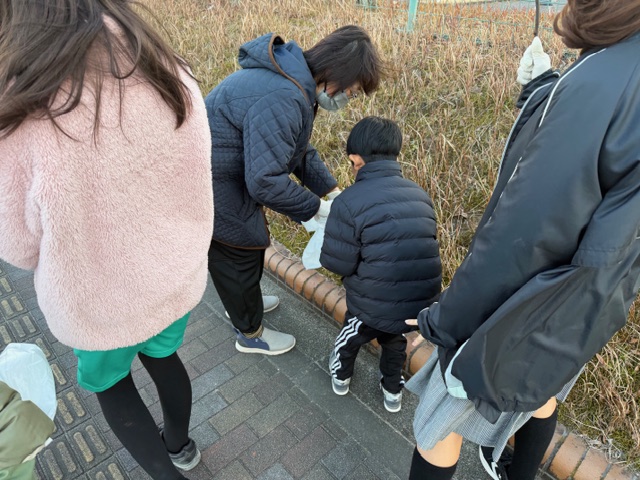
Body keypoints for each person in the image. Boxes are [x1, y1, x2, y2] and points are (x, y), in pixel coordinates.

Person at [405, 0, 640, 479]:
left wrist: (447, 321)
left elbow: (524, 235)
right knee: (542, 389)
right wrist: (546, 88)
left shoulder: (598, 81)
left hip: (519, 305)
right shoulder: (619, 69)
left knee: (439, 422)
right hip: (591, 301)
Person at [0, 2, 213, 479]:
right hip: (171, 275)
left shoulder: (22, 109)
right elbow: (197, 177)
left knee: (113, 386)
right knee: (165, 359)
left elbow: (17, 245)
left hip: (96, 298)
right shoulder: (164, 67)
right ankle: (180, 446)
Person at [205, 25, 383, 356]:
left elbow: (297, 150)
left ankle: (244, 302)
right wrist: (317, 208)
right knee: (238, 251)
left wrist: (332, 191)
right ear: (337, 72)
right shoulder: (285, 95)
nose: (348, 98)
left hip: (227, 174)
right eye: (352, 90)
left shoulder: (293, 82)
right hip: (214, 183)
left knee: (249, 246)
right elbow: (264, 181)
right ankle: (250, 333)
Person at [319, 116, 442, 413]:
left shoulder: (349, 201)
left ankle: (340, 375)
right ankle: (392, 391)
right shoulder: (420, 195)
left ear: (355, 158)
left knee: (350, 337)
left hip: (371, 305)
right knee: (394, 345)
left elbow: (338, 263)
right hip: (414, 307)